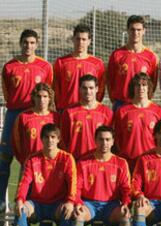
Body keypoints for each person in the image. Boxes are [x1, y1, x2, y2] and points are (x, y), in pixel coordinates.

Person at [0, 29, 53, 210]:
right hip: (14, 114)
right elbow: (7, 93)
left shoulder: (45, 67)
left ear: (36, 45)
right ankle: (1, 203)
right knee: (4, 157)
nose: (28, 46)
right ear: (20, 43)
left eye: (32, 43)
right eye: (25, 42)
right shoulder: (9, 67)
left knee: (33, 159)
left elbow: (48, 91)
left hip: (35, 116)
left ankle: (32, 201)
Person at [67, 126, 131, 226]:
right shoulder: (83, 162)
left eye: (108, 139)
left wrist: (126, 204)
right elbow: (76, 188)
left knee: (125, 216)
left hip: (111, 205)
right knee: (78, 216)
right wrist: (78, 203)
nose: (104, 143)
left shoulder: (121, 163)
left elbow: (126, 189)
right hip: (90, 205)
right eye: (101, 139)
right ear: (95, 141)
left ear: (113, 141)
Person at [14, 123, 76, 226]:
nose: (50, 140)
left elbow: (73, 182)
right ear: (41, 139)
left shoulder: (67, 158)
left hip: (57, 204)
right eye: (47, 137)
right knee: (20, 210)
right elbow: (24, 182)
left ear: (58, 139)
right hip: (37, 204)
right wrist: (19, 200)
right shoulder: (32, 159)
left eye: (53, 137)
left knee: (68, 211)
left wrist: (70, 201)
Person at [114, 73, 161, 171]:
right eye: (137, 85)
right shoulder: (123, 111)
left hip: (151, 161)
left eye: (144, 85)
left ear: (149, 87)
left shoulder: (157, 111)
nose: (141, 88)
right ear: (133, 88)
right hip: (129, 161)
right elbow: (117, 137)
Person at [108, 15, 158, 111]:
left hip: (141, 104)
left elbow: (152, 83)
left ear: (144, 31)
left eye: (139, 30)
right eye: (132, 29)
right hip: (121, 103)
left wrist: (145, 100)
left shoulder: (151, 56)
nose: (136, 33)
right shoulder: (117, 54)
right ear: (127, 30)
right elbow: (110, 80)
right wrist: (114, 101)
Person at [53, 24, 105, 111]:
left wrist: (93, 105)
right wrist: (59, 106)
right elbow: (56, 88)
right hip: (66, 109)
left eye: (84, 39)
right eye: (78, 39)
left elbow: (101, 88)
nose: (80, 42)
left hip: (89, 110)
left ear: (89, 41)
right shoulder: (61, 62)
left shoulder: (97, 63)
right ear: (73, 39)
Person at [61, 74, 113, 160]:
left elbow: (109, 140)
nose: (88, 91)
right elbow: (63, 140)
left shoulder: (107, 113)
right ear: (79, 89)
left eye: (91, 88)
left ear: (97, 89)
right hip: (76, 160)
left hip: (97, 160)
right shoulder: (69, 112)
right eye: (84, 88)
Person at [12, 83, 59, 166]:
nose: (41, 100)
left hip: (52, 165)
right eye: (38, 96)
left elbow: (61, 142)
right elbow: (16, 142)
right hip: (30, 164)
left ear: (50, 98)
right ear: (33, 97)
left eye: (45, 96)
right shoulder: (23, 117)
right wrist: (23, 160)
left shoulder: (56, 117)